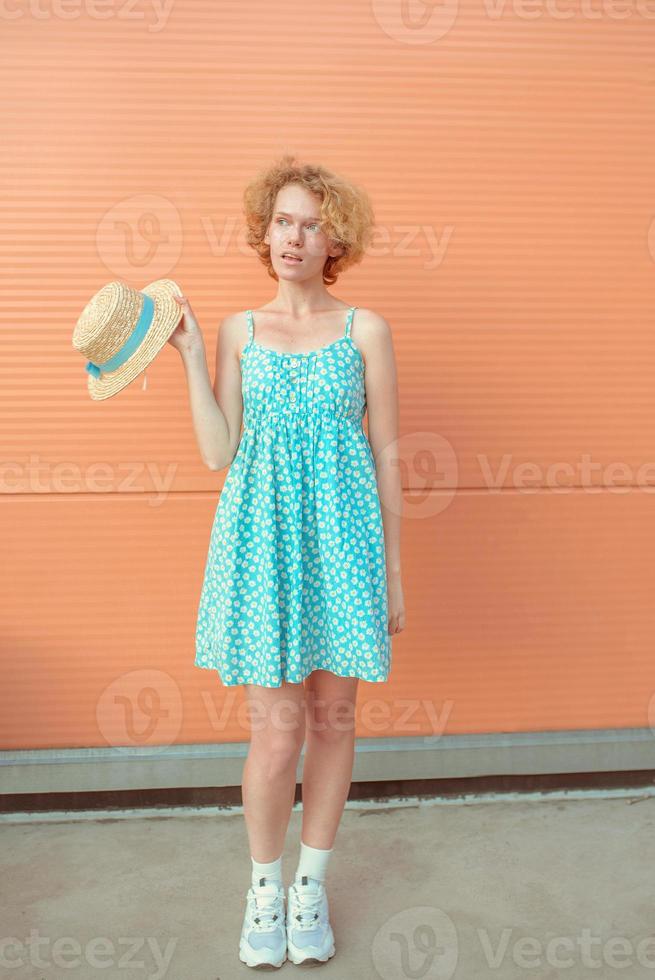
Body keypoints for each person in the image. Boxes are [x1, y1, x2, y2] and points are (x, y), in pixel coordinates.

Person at [168, 154, 405, 969]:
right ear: (263, 232)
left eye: (310, 223)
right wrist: (193, 356)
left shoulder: (363, 329)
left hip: (345, 548)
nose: (292, 237)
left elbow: (386, 458)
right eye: (281, 221)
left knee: (334, 721)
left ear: (335, 238)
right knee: (276, 736)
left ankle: (312, 884)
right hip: (263, 545)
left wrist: (394, 576)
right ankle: (263, 890)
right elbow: (215, 452)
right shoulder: (238, 329)